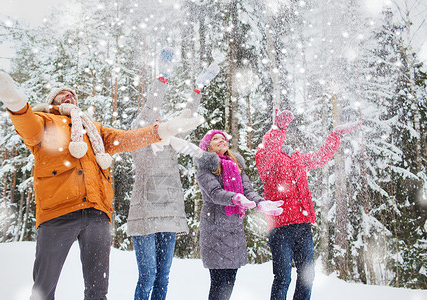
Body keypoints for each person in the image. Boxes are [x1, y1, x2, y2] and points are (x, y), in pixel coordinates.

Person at [0, 69, 203, 300]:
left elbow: (126, 139)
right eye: (62, 94)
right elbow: (27, 127)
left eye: (72, 94)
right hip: (57, 212)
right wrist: (15, 102)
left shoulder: (92, 129)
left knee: (97, 290)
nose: (69, 96)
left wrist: (162, 130)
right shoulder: (45, 121)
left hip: (96, 212)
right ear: (51, 101)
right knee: (44, 289)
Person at [127, 48, 220, 300]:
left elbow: (187, 117)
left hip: (170, 216)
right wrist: (162, 78)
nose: (158, 119)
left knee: (162, 276)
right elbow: (149, 108)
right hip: (145, 216)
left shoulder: (173, 143)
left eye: (160, 118)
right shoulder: (140, 142)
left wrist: (198, 88)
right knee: (147, 275)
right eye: (152, 119)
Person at [255, 109, 361, 300]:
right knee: (283, 278)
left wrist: (335, 135)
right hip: (280, 227)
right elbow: (271, 150)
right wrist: (278, 128)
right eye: (274, 138)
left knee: (307, 277)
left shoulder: (297, 160)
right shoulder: (265, 159)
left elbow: (321, 157)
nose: (279, 140)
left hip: (302, 225)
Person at [194, 129, 284, 300]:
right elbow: (214, 192)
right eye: (215, 139)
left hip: (234, 229)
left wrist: (260, 202)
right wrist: (235, 198)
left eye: (222, 138)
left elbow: (248, 191)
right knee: (219, 284)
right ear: (208, 147)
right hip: (215, 229)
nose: (221, 140)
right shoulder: (205, 168)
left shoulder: (236, 165)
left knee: (230, 282)